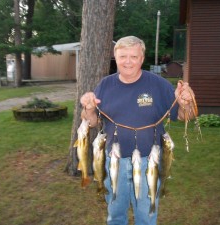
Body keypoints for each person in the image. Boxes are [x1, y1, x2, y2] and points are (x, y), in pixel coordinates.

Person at [80, 36, 195, 225]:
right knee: (115, 215)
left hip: (148, 163)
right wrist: (89, 109)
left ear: (142, 58)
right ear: (115, 57)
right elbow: (91, 123)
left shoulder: (159, 85)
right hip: (113, 161)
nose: (127, 61)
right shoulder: (105, 85)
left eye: (133, 56)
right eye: (122, 56)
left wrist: (187, 104)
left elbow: (184, 116)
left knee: (146, 217)